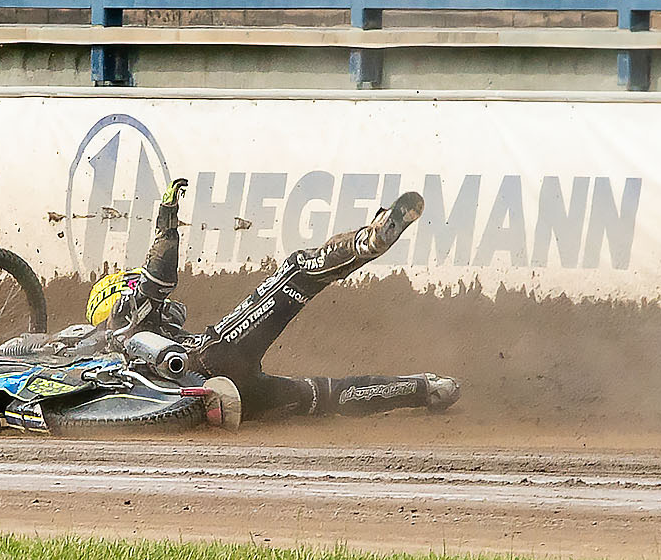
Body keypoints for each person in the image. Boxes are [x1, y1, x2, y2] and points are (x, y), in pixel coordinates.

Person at [83, 178, 460, 430]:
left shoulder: (99, 363)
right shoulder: (123, 321)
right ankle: (364, 243)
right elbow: (159, 277)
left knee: (323, 396)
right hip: (210, 363)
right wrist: (166, 223)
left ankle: (423, 388)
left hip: (227, 398)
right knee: (297, 271)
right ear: (116, 296)